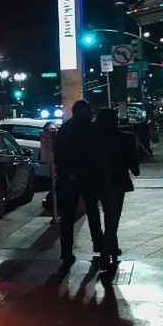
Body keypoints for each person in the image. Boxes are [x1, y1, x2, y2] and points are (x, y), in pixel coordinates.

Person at [54, 100, 102, 273]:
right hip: (88, 177)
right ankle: (99, 247)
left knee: (67, 218)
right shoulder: (92, 128)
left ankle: (66, 253)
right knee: (93, 214)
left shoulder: (66, 128)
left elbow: (58, 153)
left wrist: (66, 173)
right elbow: (98, 153)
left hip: (70, 179)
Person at [94, 108, 139, 271]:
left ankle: (111, 248)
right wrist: (135, 169)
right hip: (117, 182)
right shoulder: (125, 138)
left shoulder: (93, 139)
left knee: (108, 215)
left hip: (97, 182)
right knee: (113, 217)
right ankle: (106, 251)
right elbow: (133, 159)